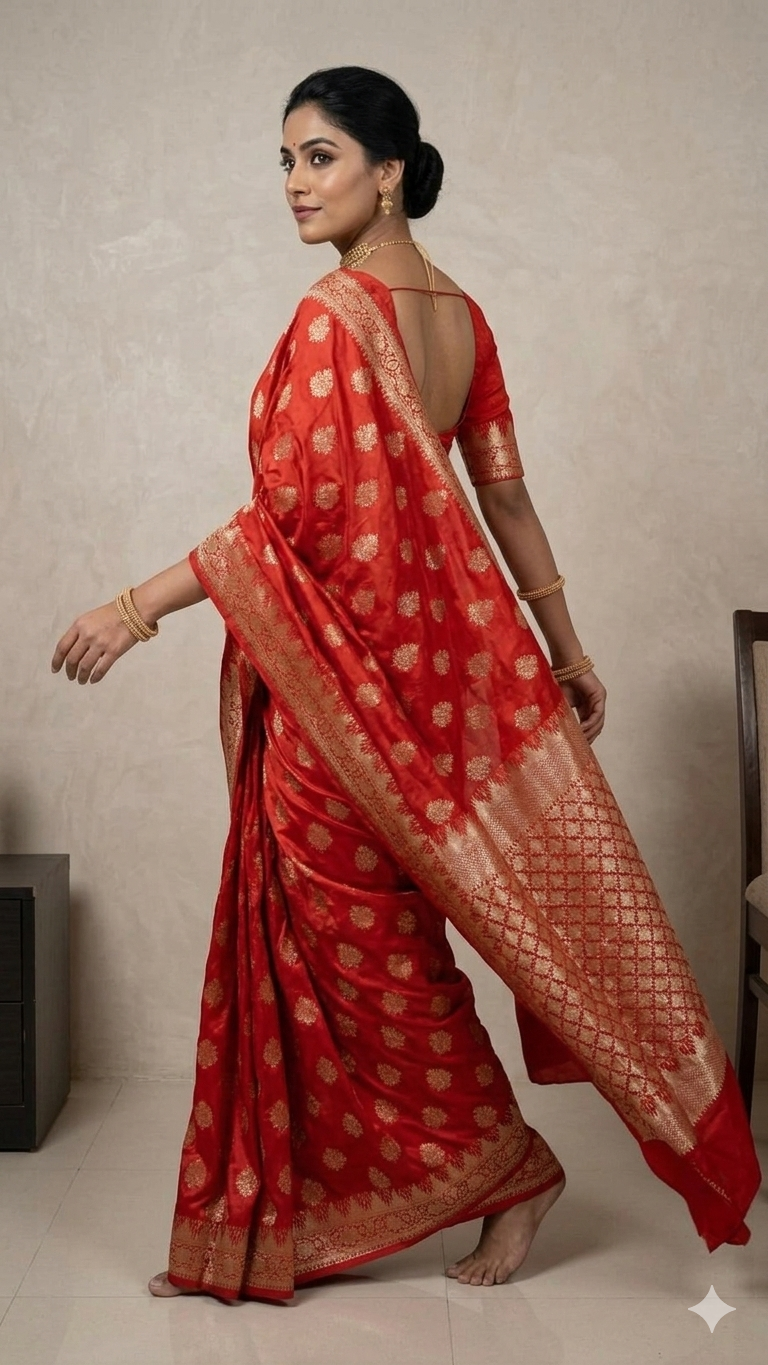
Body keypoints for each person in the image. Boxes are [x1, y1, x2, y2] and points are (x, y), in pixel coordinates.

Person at [52, 66, 760, 1302]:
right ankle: (314, 1205)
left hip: (360, 690)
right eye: (283, 162)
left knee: (366, 952)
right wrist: (566, 648)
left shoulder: (337, 321)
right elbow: (505, 500)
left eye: (318, 158)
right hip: (433, 678)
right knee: (362, 945)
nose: (293, 186)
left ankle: (507, 1171)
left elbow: (288, 528)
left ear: (390, 168)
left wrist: (133, 610)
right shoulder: (464, 317)